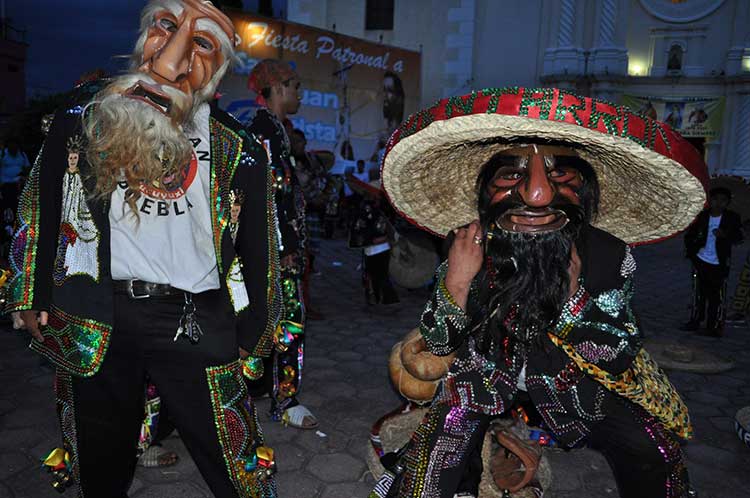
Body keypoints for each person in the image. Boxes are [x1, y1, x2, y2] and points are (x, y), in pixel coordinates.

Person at [371, 87, 706, 498]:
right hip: (486, 383)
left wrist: (572, 299)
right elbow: (438, 344)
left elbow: (617, 354)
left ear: (583, 187)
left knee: (655, 451)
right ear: (485, 190)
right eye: (512, 175)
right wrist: (456, 284)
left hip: (578, 393)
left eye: (559, 174)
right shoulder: (470, 244)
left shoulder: (609, 253)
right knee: (433, 458)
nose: (537, 195)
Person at [5, 2, 282, 496]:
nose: (172, 57)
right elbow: (39, 203)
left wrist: (255, 328)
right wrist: (28, 293)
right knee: (99, 459)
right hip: (97, 312)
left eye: (200, 44)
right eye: (167, 27)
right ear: (142, 36)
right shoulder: (85, 117)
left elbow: (260, 248)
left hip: (195, 318)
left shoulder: (238, 148)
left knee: (237, 466)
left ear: (216, 75)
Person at [246, 59, 318, 429]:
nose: (300, 94)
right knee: (288, 323)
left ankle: (257, 391)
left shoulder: (273, 128)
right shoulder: (264, 130)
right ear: (277, 89)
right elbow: (270, 196)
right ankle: (286, 401)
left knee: (264, 322)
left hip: (273, 250)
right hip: (277, 254)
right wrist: (287, 245)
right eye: (296, 86)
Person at [683, 187, 744, 336]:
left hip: (719, 263)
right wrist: (693, 251)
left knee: (717, 296)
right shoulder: (702, 216)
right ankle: (695, 321)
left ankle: (714, 326)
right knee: (698, 294)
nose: (718, 203)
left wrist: (725, 235)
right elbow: (689, 235)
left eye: (723, 201)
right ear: (710, 201)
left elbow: (739, 237)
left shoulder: (732, 218)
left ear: (727, 203)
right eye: (715, 199)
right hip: (700, 260)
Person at [347, 177, 399, 306]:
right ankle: (379, 298)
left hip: (380, 246)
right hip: (374, 246)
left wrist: (382, 237)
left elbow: (385, 227)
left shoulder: (379, 209)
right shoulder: (370, 207)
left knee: (379, 274)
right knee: (375, 273)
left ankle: (384, 298)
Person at [0, 139, 30, 215]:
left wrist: (23, 175)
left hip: (19, 182)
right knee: (7, 202)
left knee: (19, 202)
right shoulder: (2, 154)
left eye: (15, 144)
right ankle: (7, 222)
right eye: (11, 144)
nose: (13, 146)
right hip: (5, 183)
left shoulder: (22, 154)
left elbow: (27, 168)